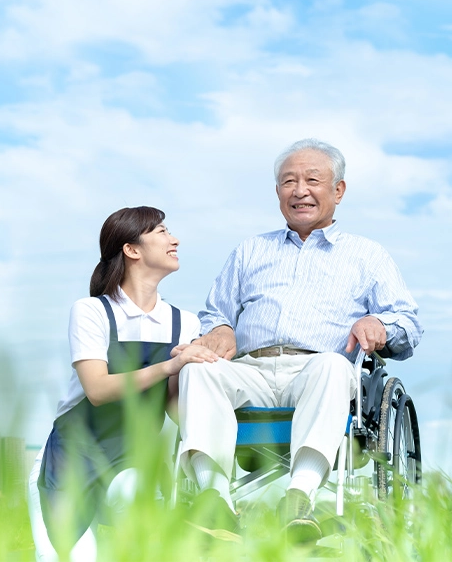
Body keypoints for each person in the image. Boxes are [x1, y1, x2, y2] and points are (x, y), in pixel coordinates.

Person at [178, 138, 422, 542]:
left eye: (313, 180)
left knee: (331, 363)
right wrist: (220, 329)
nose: (299, 190)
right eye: (288, 182)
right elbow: (216, 314)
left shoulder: (368, 255)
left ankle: (300, 497)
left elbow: (409, 325)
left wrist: (380, 323)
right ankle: (213, 500)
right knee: (197, 369)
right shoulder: (250, 251)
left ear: (338, 191)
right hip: (250, 370)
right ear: (277, 193)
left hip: (317, 371)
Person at [27, 206, 219, 561]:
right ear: (132, 250)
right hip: (70, 460)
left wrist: (201, 374)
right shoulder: (92, 311)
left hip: (131, 460)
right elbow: (97, 390)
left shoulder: (184, 323)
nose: (174, 239)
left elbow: (175, 410)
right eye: (161, 232)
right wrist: (170, 365)